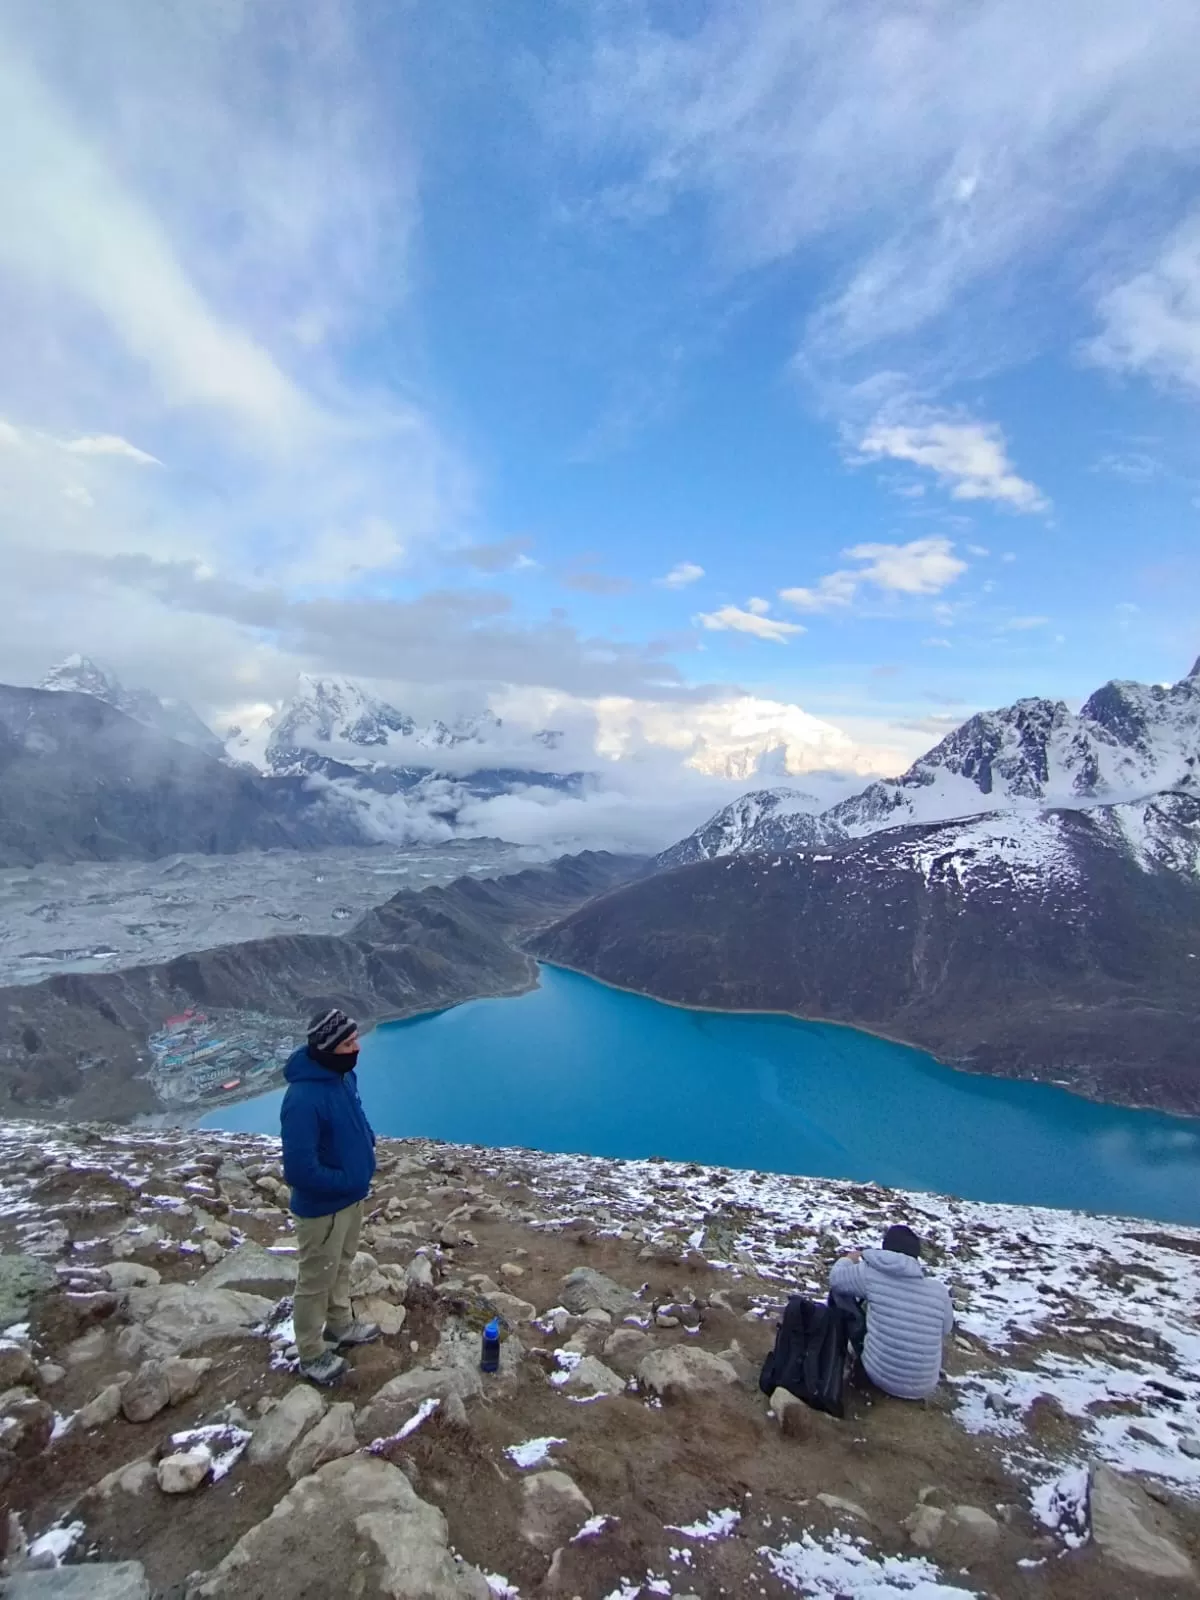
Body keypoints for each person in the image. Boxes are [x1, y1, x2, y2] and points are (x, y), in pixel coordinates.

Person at [280, 1008, 380, 1385]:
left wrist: (368, 1140)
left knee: (342, 1265)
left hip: (351, 1197)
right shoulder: (302, 1098)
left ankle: (340, 1325)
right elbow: (299, 1170)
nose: (357, 1048)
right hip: (323, 1209)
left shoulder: (342, 1076)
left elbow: (357, 1114)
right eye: (348, 1043)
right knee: (315, 1279)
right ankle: (310, 1353)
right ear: (327, 1048)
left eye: (355, 1039)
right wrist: (346, 1179)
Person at [828, 1223, 953, 1401]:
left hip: (877, 1376)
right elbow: (946, 1329)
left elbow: (835, 1279)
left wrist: (848, 1259)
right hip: (923, 1386)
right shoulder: (939, 1291)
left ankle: (840, 1351)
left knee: (840, 1293)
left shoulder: (870, 1274)